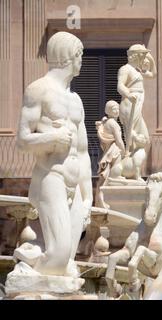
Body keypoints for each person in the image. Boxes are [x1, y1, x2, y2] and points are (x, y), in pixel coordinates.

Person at [16, 31, 92, 277]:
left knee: (68, 263)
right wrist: (52, 138)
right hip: (52, 176)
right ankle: (25, 265)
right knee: (59, 255)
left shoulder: (76, 99)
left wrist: (88, 197)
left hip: (74, 184)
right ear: (68, 55)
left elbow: (82, 152)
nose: (82, 60)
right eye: (79, 54)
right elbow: (22, 140)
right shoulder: (39, 90)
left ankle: (38, 272)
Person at [117, 44, 157, 182]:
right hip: (130, 103)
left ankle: (133, 169)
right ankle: (130, 169)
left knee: (143, 140)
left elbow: (153, 74)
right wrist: (128, 94)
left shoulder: (137, 70)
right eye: (142, 55)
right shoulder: (125, 69)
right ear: (136, 55)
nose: (143, 58)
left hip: (137, 103)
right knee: (132, 136)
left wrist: (150, 58)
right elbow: (120, 86)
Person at [95, 100, 126, 208]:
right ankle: (108, 198)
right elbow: (118, 140)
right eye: (114, 109)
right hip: (114, 150)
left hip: (108, 151)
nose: (117, 111)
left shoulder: (106, 122)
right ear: (108, 111)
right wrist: (125, 150)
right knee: (113, 174)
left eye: (118, 108)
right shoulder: (114, 124)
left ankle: (101, 199)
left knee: (106, 177)